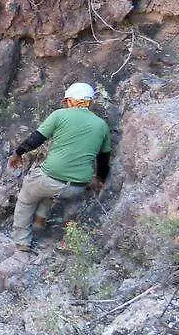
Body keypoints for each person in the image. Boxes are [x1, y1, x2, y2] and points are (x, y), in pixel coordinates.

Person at [8, 82, 111, 252]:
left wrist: (18, 153)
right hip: (76, 187)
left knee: (27, 197)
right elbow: (104, 159)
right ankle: (40, 221)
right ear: (89, 102)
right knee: (49, 187)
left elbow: (36, 139)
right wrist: (99, 179)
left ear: (71, 100)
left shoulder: (59, 115)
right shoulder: (102, 125)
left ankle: (22, 242)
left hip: (50, 179)